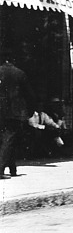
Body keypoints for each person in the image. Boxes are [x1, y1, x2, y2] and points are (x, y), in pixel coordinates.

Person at [0, 50, 35, 178]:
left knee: (8, 140)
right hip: (13, 112)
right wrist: (30, 111)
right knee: (9, 139)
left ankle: (12, 169)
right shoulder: (19, 73)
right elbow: (29, 95)